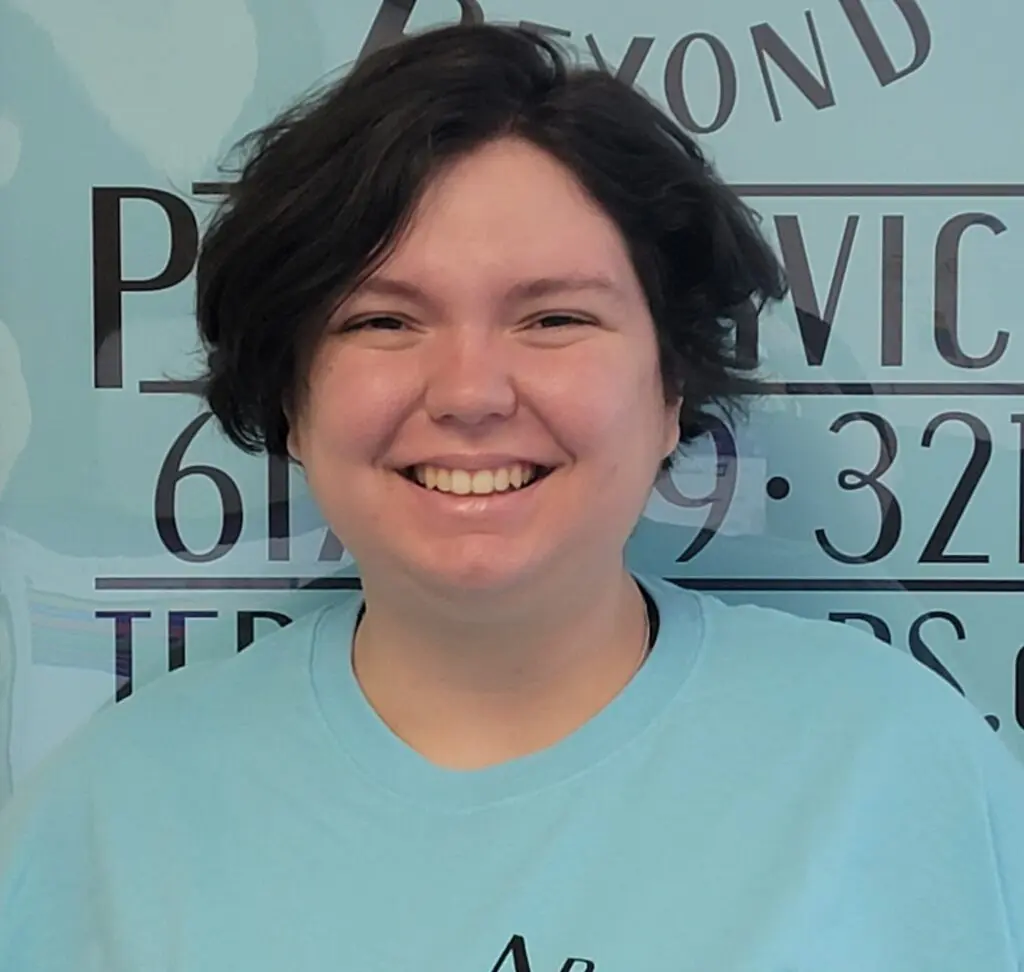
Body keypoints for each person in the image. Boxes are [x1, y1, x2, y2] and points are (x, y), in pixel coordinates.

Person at [1, 21, 1022, 971]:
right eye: (382, 322)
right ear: (290, 395)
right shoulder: (110, 818)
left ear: (671, 386)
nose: (471, 395)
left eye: (554, 319)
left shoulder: (898, 770)